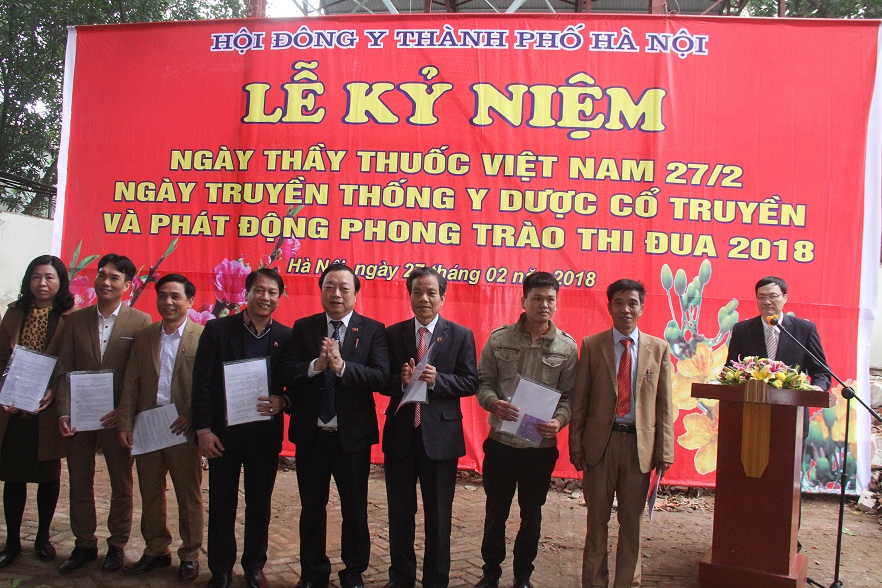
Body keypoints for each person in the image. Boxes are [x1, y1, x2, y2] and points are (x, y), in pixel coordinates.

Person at [281, 263, 389, 588]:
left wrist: (343, 367)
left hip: (351, 438)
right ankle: (313, 573)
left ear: (355, 293)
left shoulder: (373, 330)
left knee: (354, 509)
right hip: (312, 436)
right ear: (321, 291)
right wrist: (316, 365)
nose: (336, 294)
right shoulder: (304, 328)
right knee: (312, 509)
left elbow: (381, 377)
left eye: (344, 288)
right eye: (330, 287)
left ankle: (353, 572)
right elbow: (286, 371)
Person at [474, 271, 577, 588]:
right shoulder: (499, 339)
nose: (544, 304)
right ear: (523, 300)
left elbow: (570, 397)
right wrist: (493, 403)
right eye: (537, 298)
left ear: (556, 303)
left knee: (531, 516)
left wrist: (559, 421)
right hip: (501, 445)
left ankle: (523, 576)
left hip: (539, 450)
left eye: (550, 299)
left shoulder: (567, 348)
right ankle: (491, 573)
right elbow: (483, 383)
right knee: (496, 513)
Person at [569, 279, 674, 588]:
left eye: (632, 303)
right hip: (600, 447)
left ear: (642, 308)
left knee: (632, 525)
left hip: (639, 449)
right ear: (609, 306)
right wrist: (576, 445)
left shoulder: (658, 349)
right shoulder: (592, 345)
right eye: (619, 302)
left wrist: (665, 452)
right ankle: (594, 583)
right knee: (596, 523)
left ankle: (628, 583)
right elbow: (580, 400)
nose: (625, 309)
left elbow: (665, 406)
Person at [191, 268, 292, 588]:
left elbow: (295, 385)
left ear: (279, 298)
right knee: (222, 504)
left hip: (264, 436)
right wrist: (203, 430)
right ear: (246, 294)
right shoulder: (218, 330)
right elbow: (201, 383)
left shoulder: (287, 337)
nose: (265, 297)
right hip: (223, 436)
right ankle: (220, 569)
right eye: (259, 290)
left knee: (259, 505)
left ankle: (254, 566)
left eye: (272, 292)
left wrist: (284, 401)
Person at [380, 267, 479, 588]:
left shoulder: (460, 335)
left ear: (442, 297)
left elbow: (471, 382)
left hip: (440, 440)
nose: (424, 298)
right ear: (409, 296)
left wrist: (439, 380)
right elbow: (381, 379)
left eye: (431, 292)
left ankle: (436, 581)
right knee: (399, 515)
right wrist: (400, 382)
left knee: (438, 518)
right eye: (417, 292)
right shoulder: (393, 334)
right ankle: (401, 579)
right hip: (401, 437)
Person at [55, 253, 152, 574]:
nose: (105, 282)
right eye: (101, 275)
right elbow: (64, 369)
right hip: (79, 418)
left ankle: (117, 545)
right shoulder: (75, 320)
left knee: (122, 485)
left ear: (128, 285)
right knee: (79, 481)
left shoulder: (140, 322)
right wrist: (64, 412)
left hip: (117, 421)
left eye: (114, 278)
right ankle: (84, 543)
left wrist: (124, 413)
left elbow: (140, 375)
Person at [117, 274, 204, 581]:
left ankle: (190, 554)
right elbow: (131, 381)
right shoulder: (145, 336)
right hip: (148, 425)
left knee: (188, 495)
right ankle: (156, 549)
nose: (168, 302)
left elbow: (208, 383)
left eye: (175, 296)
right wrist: (125, 422)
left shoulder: (203, 336)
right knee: (151, 492)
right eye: (163, 295)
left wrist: (193, 415)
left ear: (190, 301)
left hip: (182, 428)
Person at [0, 255, 75, 567]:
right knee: (13, 476)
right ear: (28, 281)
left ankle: (43, 539)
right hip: (14, 408)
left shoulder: (71, 317)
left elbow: (72, 361)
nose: (42, 283)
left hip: (47, 408)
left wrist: (55, 391)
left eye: (49, 277)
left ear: (60, 282)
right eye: (36, 277)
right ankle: (12, 542)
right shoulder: (14, 312)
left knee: (47, 475)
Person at [726, 276, 830, 392]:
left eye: (773, 296)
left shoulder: (804, 330)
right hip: (752, 399)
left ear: (785, 298)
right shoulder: (742, 330)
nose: (767, 302)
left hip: (792, 400)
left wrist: (817, 388)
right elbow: (731, 369)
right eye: (761, 297)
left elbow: (821, 372)